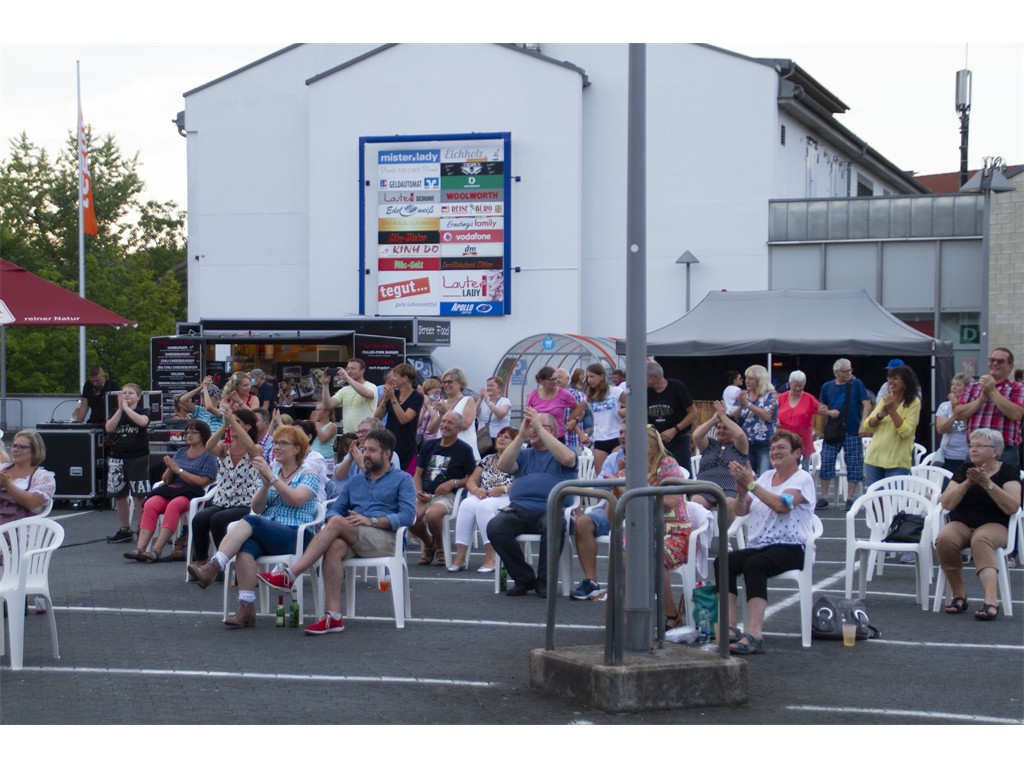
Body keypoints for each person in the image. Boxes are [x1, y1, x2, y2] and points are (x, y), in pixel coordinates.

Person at [256, 428, 416, 635]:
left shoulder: (403, 479)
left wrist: (372, 520)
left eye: (371, 450)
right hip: (353, 535)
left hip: (385, 539)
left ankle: (291, 573)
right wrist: (337, 523)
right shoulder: (356, 481)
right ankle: (334, 616)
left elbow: (407, 515)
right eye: (364, 448)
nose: (365, 454)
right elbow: (334, 510)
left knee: (337, 524)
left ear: (387, 454)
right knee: (334, 545)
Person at [187, 425, 322, 628]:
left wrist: (273, 479)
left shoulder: (309, 474)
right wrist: (266, 485)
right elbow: (257, 507)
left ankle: (213, 566)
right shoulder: (273, 471)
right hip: (270, 530)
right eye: (275, 442)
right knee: (244, 548)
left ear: (297, 449)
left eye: (282, 443)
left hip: (297, 535)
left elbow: (296, 499)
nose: (276, 447)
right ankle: (246, 608)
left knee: (251, 521)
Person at [717, 430, 816, 654]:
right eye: (772, 448)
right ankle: (730, 626)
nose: (775, 452)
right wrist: (742, 492)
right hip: (761, 545)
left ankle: (754, 633)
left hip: (792, 547)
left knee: (756, 564)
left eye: (781, 448)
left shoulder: (802, 478)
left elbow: (782, 506)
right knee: (724, 560)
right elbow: (742, 509)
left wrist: (751, 485)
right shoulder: (765, 477)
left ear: (797, 453)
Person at [487, 409, 578, 598]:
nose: (533, 430)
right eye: (530, 425)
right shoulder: (525, 454)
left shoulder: (563, 452)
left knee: (553, 525)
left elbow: (568, 459)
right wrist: (521, 436)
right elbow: (503, 466)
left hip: (550, 509)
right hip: (519, 509)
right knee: (496, 527)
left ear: (551, 431)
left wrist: (539, 428)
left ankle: (544, 580)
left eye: (538, 426)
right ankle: (524, 578)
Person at [935, 428, 1022, 621]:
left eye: (979, 446)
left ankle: (991, 600)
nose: (973, 450)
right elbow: (947, 503)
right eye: (971, 445)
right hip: (963, 522)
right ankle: (959, 595)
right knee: (945, 538)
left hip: (996, 525)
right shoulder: (963, 470)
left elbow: (1012, 506)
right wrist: (968, 482)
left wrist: (987, 483)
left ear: (996, 451)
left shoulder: (1008, 471)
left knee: (981, 539)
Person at [128, 419, 217, 562]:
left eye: (194, 432)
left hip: (191, 492)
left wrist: (180, 471)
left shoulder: (209, 455)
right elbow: (166, 480)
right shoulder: (181, 452)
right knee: (150, 504)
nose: (189, 435)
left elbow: (203, 482)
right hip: (172, 488)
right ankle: (140, 548)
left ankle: (156, 550)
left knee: (174, 505)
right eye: (187, 432)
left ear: (203, 435)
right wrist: (170, 469)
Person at [188, 408, 263, 566]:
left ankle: (223, 565)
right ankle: (202, 563)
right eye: (232, 422)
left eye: (238, 422)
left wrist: (233, 422)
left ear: (248, 426)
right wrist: (224, 426)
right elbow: (209, 446)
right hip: (222, 501)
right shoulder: (225, 448)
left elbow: (251, 447)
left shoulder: (255, 449)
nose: (233, 425)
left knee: (218, 520)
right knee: (199, 519)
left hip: (245, 503)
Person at [447, 426, 517, 573]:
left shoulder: (519, 458)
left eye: (507, 437)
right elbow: (471, 480)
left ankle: (491, 558)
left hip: (508, 497)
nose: (502, 438)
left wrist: (502, 489)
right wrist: (475, 490)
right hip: (485, 495)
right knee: (466, 504)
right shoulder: (488, 459)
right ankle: (460, 558)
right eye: (500, 435)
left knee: (484, 507)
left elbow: (523, 482)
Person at [410, 411, 477, 566]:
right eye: (444, 421)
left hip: (448, 496)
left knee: (432, 514)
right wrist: (419, 492)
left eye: (450, 423)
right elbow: (417, 474)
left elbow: (473, 478)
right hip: (425, 494)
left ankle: (440, 547)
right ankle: (428, 542)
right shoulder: (429, 445)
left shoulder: (464, 449)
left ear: (459, 429)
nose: (445, 425)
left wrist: (452, 483)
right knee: (409, 516)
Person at [954, 347, 1024, 470]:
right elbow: (958, 414)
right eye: (992, 360)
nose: (995, 363)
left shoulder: (1017, 388)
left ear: (1010, 366)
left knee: (1005, 488)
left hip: (1005, 452)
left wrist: (992, 392)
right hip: (975, 451)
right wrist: (980, 400)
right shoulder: (972, 387)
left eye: (1000, 361)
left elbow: (1016, 414)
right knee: (971, 488)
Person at [817, 358, 872, 510]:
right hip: (833, 429)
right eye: (845, 371)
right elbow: (821, 408)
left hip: (852, 428)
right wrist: (824, 421)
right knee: (826, 460)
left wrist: (863, 424)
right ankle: (824, 496)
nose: (849, 374)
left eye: (850, 370)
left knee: (854, 463)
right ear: (836, 373)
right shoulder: (827, 387)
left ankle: (849, 498)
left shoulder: (857, 384)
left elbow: (866, 404)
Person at [104, 383, 151, 544]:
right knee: (119, 495)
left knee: (139, 496)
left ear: (138, 396)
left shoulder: (142, 411)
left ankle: (142, 528)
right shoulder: (118, 413)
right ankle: (124, 529)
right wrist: (120, 409)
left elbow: (142, 422)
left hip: (137, 457)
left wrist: (128, 409)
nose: (126, 395)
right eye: (124, 393)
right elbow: (109, 428)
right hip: (118, 457)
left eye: (130, 393)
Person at [689, 400, 750, 525]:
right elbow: (696, 436)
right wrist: (713, 419)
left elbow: (740, 436)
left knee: (728, 504)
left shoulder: (738, 446)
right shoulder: (710, 444)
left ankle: (723, 537)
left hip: (729, 489)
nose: (721, 431)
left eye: (725, 428)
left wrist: (724, 417)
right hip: (705, 488)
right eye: (719, 428)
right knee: (695, 502)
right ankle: (700, 538)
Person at [861, 364, 921, 487]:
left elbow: (906, 432)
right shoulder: (886, 399)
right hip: (874, 458)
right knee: (874, 501)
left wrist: (892, 410)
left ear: (906, 382)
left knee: (894, 502)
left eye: (895, 378)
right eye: (889, 378)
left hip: (897, 461)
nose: (890, 381)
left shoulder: (914, 403)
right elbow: (867, 425)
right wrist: (880, 415)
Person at [646, 360, 697, 469]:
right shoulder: (645, 391)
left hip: (679, 440)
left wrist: (675, 430)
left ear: (655, 377)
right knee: (656, 471)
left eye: (645, 377)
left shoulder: (677, 387)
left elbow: (693, 413)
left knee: (682, 471)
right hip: (656, 442)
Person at [374, 362, 424, 472]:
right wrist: (385, 400)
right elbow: (376, 416)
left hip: (407, 447)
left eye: (395, 375)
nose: (393, 379)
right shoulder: (394, 394)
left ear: (405, 378)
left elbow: (404, 419)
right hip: (390, 444)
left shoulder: (417, 397)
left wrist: (393, 399)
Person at [0, 430, 56, 525]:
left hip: (20, 524)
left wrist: (7, 484)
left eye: (22, 447)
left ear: (35, 451)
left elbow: (32, 503)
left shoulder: (44, 477)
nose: (16, 450)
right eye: (14, 446)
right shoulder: (2, 468)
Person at [777, 370, 827, 470]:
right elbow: (770, 414)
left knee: (804, 469)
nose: (798, 388)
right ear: (790, 383)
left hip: (803, 441)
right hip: (783, 439)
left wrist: (827, 411)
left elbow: (822, 410)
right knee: (783, 467)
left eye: (801, 385)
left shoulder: (809, 398)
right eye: (795, 385)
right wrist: (774, 420)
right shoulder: (780, 398)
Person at [581, 363, 627, 471]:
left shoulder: (615, 391)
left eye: (592, 376)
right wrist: (579, 431)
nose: (589, 380)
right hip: (599, 439)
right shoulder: (589, 397)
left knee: (618, 473)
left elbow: (635, 406)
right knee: (601, 477)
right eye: (587, 377)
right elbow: (576, 413)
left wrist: (626, 410)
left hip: (616, 437)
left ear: (601, 376)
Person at [735, 364, 778, 476]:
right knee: (746, 477)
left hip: (764, 444)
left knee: (765, 475)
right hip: (746, 443)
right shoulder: (745, 395)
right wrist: (740, 406)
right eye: (746, 378)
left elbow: (768, 415)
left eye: (751, 378)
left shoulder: (771, 395)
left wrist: (748, 404)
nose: (747, 381)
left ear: (760, 380)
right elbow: (734, 417)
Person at [526, 366, 584, 443]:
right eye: (551, 379)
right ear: (541, 381)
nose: (555, 381)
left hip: (557, 438)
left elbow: (581, 410)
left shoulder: (564, 394)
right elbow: (528, 416)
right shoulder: (533, 394)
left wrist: (574, 421)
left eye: (556, 378)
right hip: (537, 437)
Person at [321, 359, 378, 435]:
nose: (349, 371)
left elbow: (367, 394)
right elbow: (328, 405)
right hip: (347, 435)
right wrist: (325, 384)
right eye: (347, 369)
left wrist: (347, 378)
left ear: (362, 371)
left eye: (353, 368)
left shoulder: (371, 386)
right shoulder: (344, 390)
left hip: (366, 434)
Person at [435, 367, 480, 459]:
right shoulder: (442, 403)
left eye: (450, 382)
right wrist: (439, 415)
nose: (446, 385)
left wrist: (446, 412)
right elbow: (432, 429)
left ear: (460, 383)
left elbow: (465, 424)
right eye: (444, 382)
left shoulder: (468, 400)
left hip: (464, 453)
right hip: (444, 453)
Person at [935, 373, 973, 478]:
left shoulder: (972, 406)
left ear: (966, 388)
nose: (954, 387)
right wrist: (954, 414)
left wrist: (957, 405)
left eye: (958, 385)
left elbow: (970, 428)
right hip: (948, 456)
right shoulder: (944, 406)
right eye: (953, 384)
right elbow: (941, 429)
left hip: (967, 455)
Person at [476, 376, 512, 454]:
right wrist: (480, 398)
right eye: (487, 386)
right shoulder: (483, 402)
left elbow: (500, 414)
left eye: (491, 386)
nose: (489, 388)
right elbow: (474, 414)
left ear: (499, 389)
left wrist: (487, 400)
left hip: (497, 439)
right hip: (482, 439)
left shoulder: (505, 401)